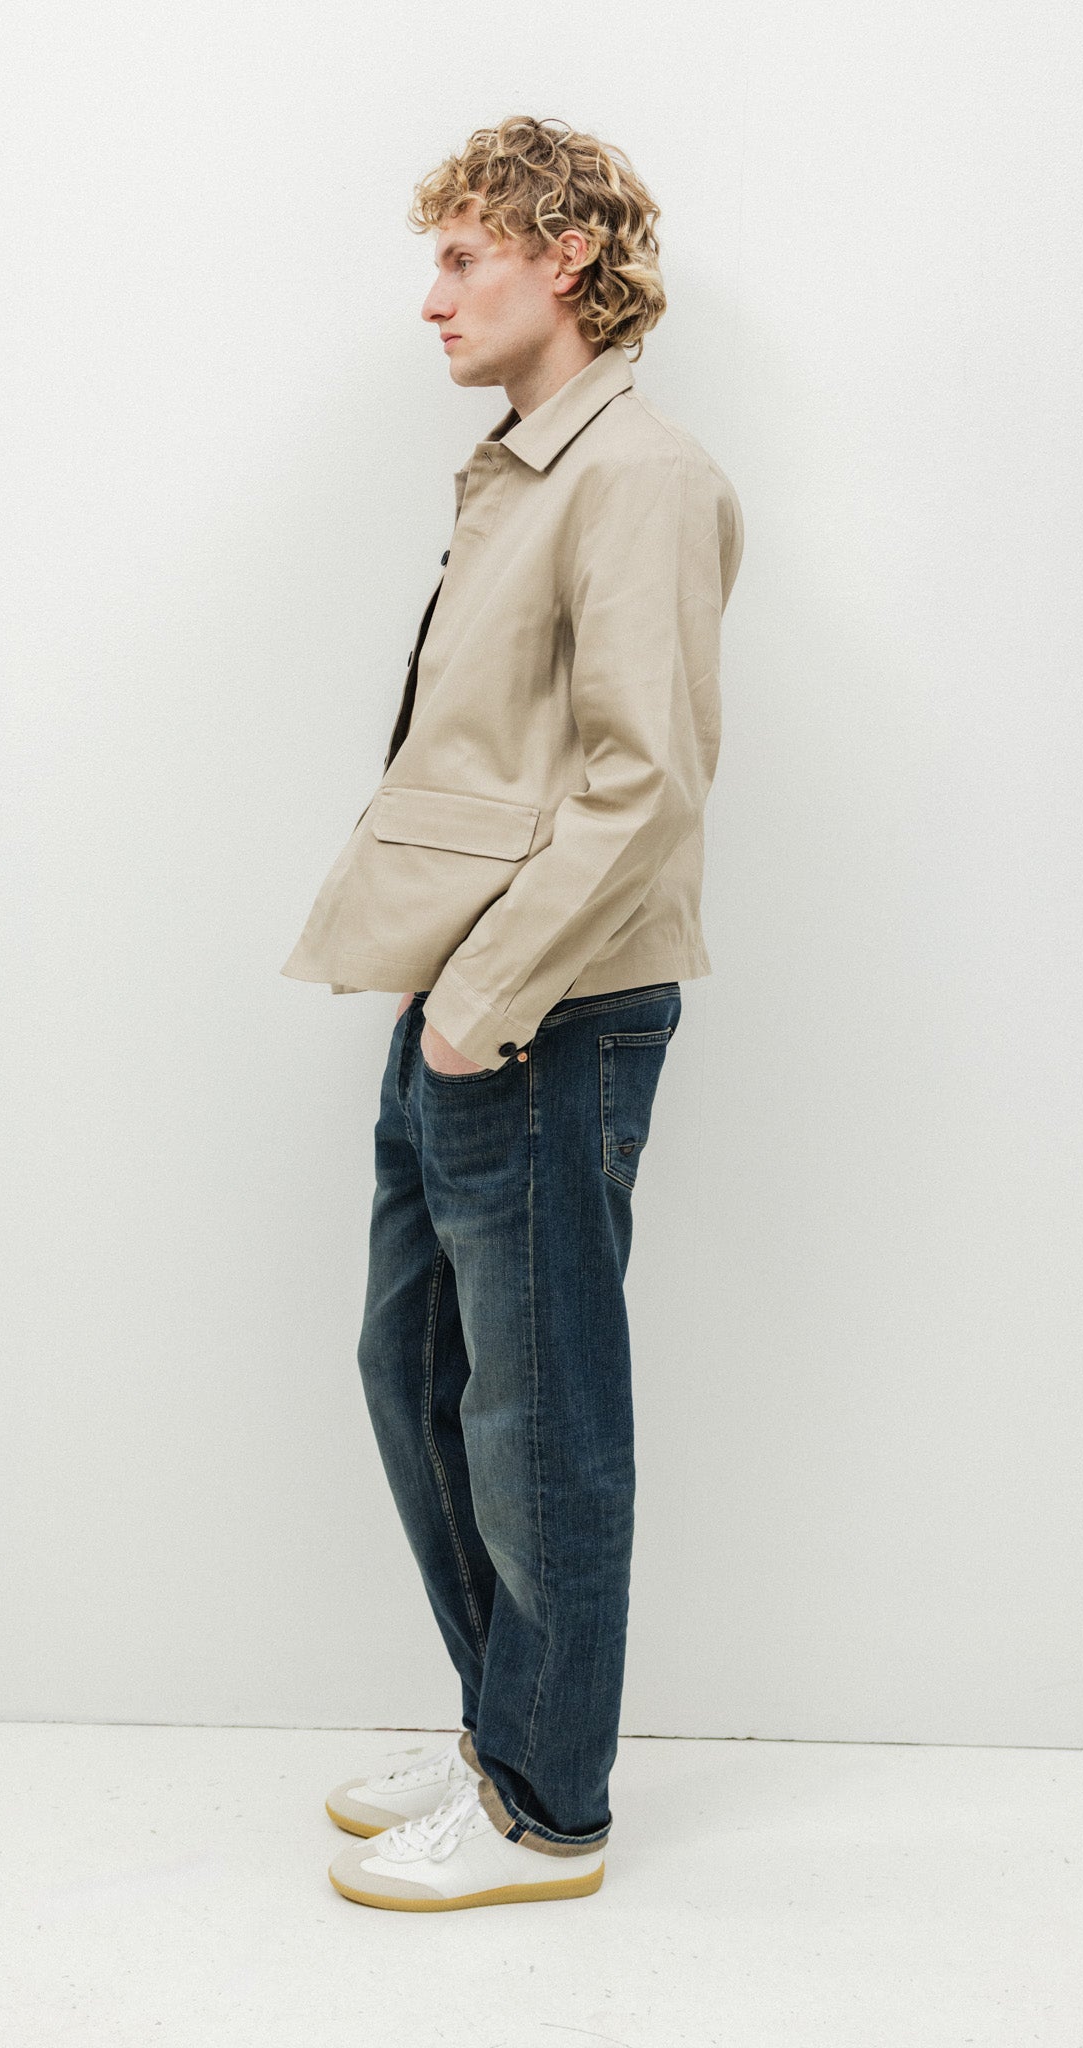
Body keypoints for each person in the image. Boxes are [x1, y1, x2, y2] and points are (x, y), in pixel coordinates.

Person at [279, 114, 744, 1910]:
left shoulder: (637, 475)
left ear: (567, 257)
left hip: (544, 1010)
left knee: (537, 1419)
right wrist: (443, 996)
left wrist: (483, 1000)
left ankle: (549, 1810)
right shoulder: (529, 468)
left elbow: (645, 782)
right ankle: (504, 1727)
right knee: (414, 1371)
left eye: (463, 255)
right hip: (465, 998)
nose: (432, 297)